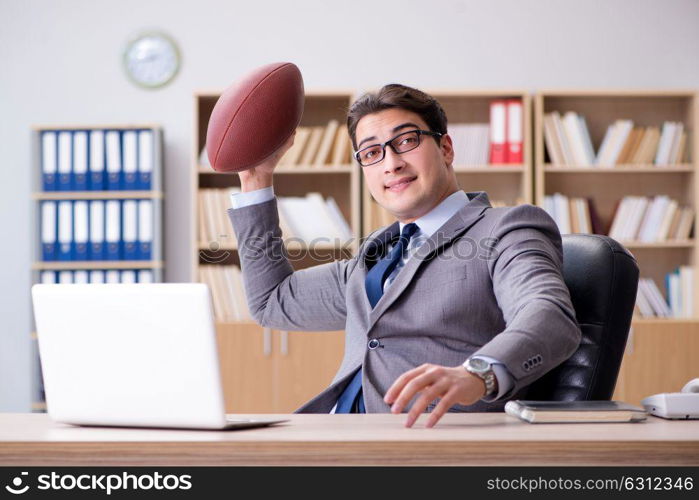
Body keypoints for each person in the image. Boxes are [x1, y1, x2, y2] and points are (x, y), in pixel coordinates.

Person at [226, 83, 581, 428]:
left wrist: (478, 374)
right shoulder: (374, 253)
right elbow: (273, 301)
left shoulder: (505, 229)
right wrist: (256, 179)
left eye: (407, 141)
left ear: (445, 148)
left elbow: (548, 316)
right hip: (334, 436)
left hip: (425, 447)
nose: (390, 163)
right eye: (371, 152)